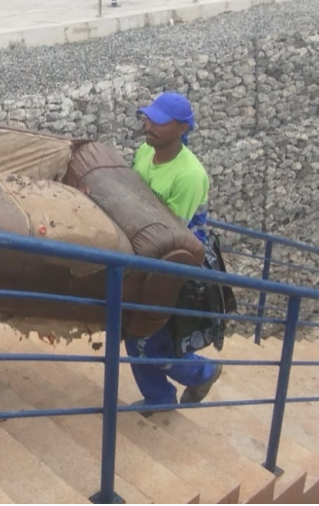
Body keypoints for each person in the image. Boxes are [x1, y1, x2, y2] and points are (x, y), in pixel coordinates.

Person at [126, 91, 222, 416]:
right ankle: (159, 398)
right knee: (133, 331)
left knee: (150, 339)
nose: (148, 124)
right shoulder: (144, 152)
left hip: (175, 263)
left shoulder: (190, 176)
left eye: (159, 121)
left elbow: (170, 234)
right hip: (143, 253)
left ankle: (202, 372)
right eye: (148, 116)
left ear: (182, 129)